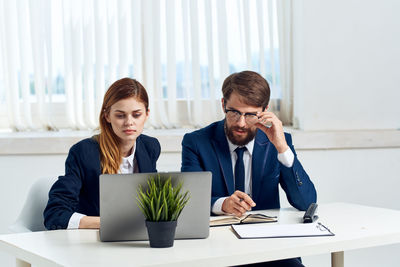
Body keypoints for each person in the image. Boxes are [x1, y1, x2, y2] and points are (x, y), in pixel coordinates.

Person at [181, 71, 316, 267]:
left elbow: (306, 202)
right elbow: (187, 200)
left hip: (269, 249)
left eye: (251, 114)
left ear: (265, 110)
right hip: (215, 248)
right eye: (234, 112)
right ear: (223, 105)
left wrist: (282, 149)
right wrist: (222, 204)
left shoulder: (278, 142)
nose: (241, 123)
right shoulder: (196, 142)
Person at [44, 78, 160, 230]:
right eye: (120, 115)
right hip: (93, 242)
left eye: (136, 115)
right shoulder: (83, 153)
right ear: (107, 116)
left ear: (146, 114)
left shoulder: (150, 147)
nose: (129, 122)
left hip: (136, 238)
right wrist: (109, 223)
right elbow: (55, 214)